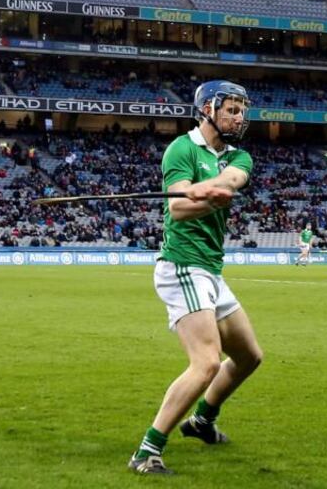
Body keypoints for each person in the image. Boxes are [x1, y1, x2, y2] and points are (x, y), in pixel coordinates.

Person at [129, 80, 262, 475]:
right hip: (183, 265)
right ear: (207, 109)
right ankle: (147, 451)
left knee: (249, 356)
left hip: (210, 269)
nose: (239, 117)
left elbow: (233, 181)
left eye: (242, 110)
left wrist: (205, 191)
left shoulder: (239, 157)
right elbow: (180, 209)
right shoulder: (181, 149)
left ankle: (202, 422)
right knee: (206, 363)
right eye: (231, 109)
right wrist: (205, 195)